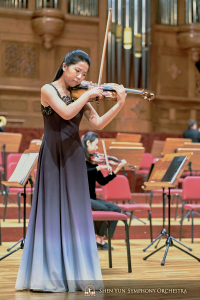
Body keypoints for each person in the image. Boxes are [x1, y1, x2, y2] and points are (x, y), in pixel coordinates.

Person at [15, 49, 126, 293]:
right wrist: (88, 95)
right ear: (65, 66)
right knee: (53, 210)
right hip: (54, 156)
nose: (80, 77)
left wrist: (119, 103)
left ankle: (77, 273)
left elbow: (97, 124)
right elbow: (65, 113)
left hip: (74, 156)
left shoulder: (81, 94)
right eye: (77, 71)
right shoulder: (48, 90)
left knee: (76, 212)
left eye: (84, 74)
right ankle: (51, 273)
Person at [82, 132, 127, 250]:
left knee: (116, 209)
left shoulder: (93, 161)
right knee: (102, 209)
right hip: (81, 197)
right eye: (96, 145)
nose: (97, 148)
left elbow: (102, 181)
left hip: (92, 197)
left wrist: (116, 170)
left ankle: (101, 237)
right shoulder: (79, 160)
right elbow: (80, 173)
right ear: (88, 143)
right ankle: (97, 239)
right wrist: (97, 167)